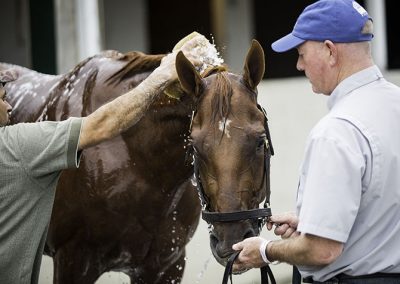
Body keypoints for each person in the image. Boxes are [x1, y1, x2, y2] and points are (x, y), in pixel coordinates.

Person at [0, 33, 207, 284]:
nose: (10, 105)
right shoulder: (16, 144)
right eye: (3, 98)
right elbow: (101, 125)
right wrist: (162, 74)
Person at [232, 0, 400, 283]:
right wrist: (315, 222)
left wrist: (265, 251)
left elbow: (322, 250)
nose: (298, 65)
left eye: (301, 53)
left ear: (330, 51)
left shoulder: (337, 131)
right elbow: (384, 207)